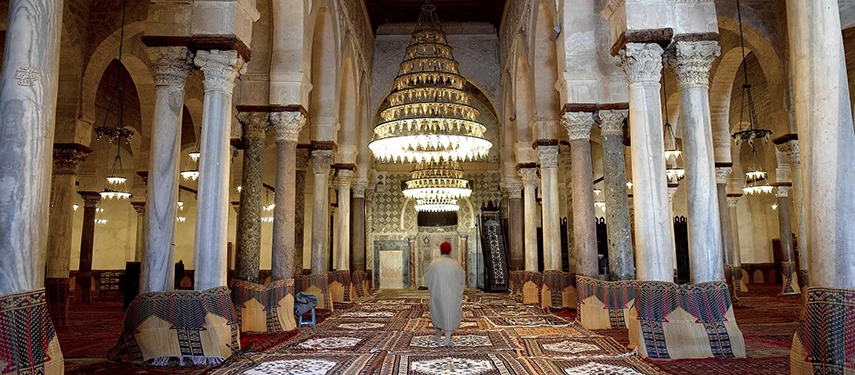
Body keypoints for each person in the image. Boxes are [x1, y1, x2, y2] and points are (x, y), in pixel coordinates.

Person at [425, 241, 465, 346]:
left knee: (437, 313)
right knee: (449, 315)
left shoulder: (434, 263)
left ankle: (438, 337)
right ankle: (447, 340)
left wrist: (434, 288)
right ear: (450, 250)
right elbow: (461, 279)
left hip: (437, 294)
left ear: (440, 250)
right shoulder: (455, 264)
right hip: (451, 295)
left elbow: (428, 277)